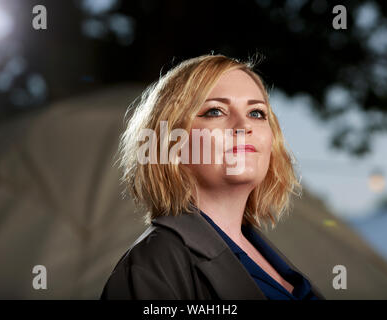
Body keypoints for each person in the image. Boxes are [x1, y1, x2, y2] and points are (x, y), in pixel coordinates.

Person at [100, 54, 325, 300]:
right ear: (172, 141)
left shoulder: (265, 255)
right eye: (215, 111)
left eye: (257, 113)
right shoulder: (153, 265)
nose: (243, 126)